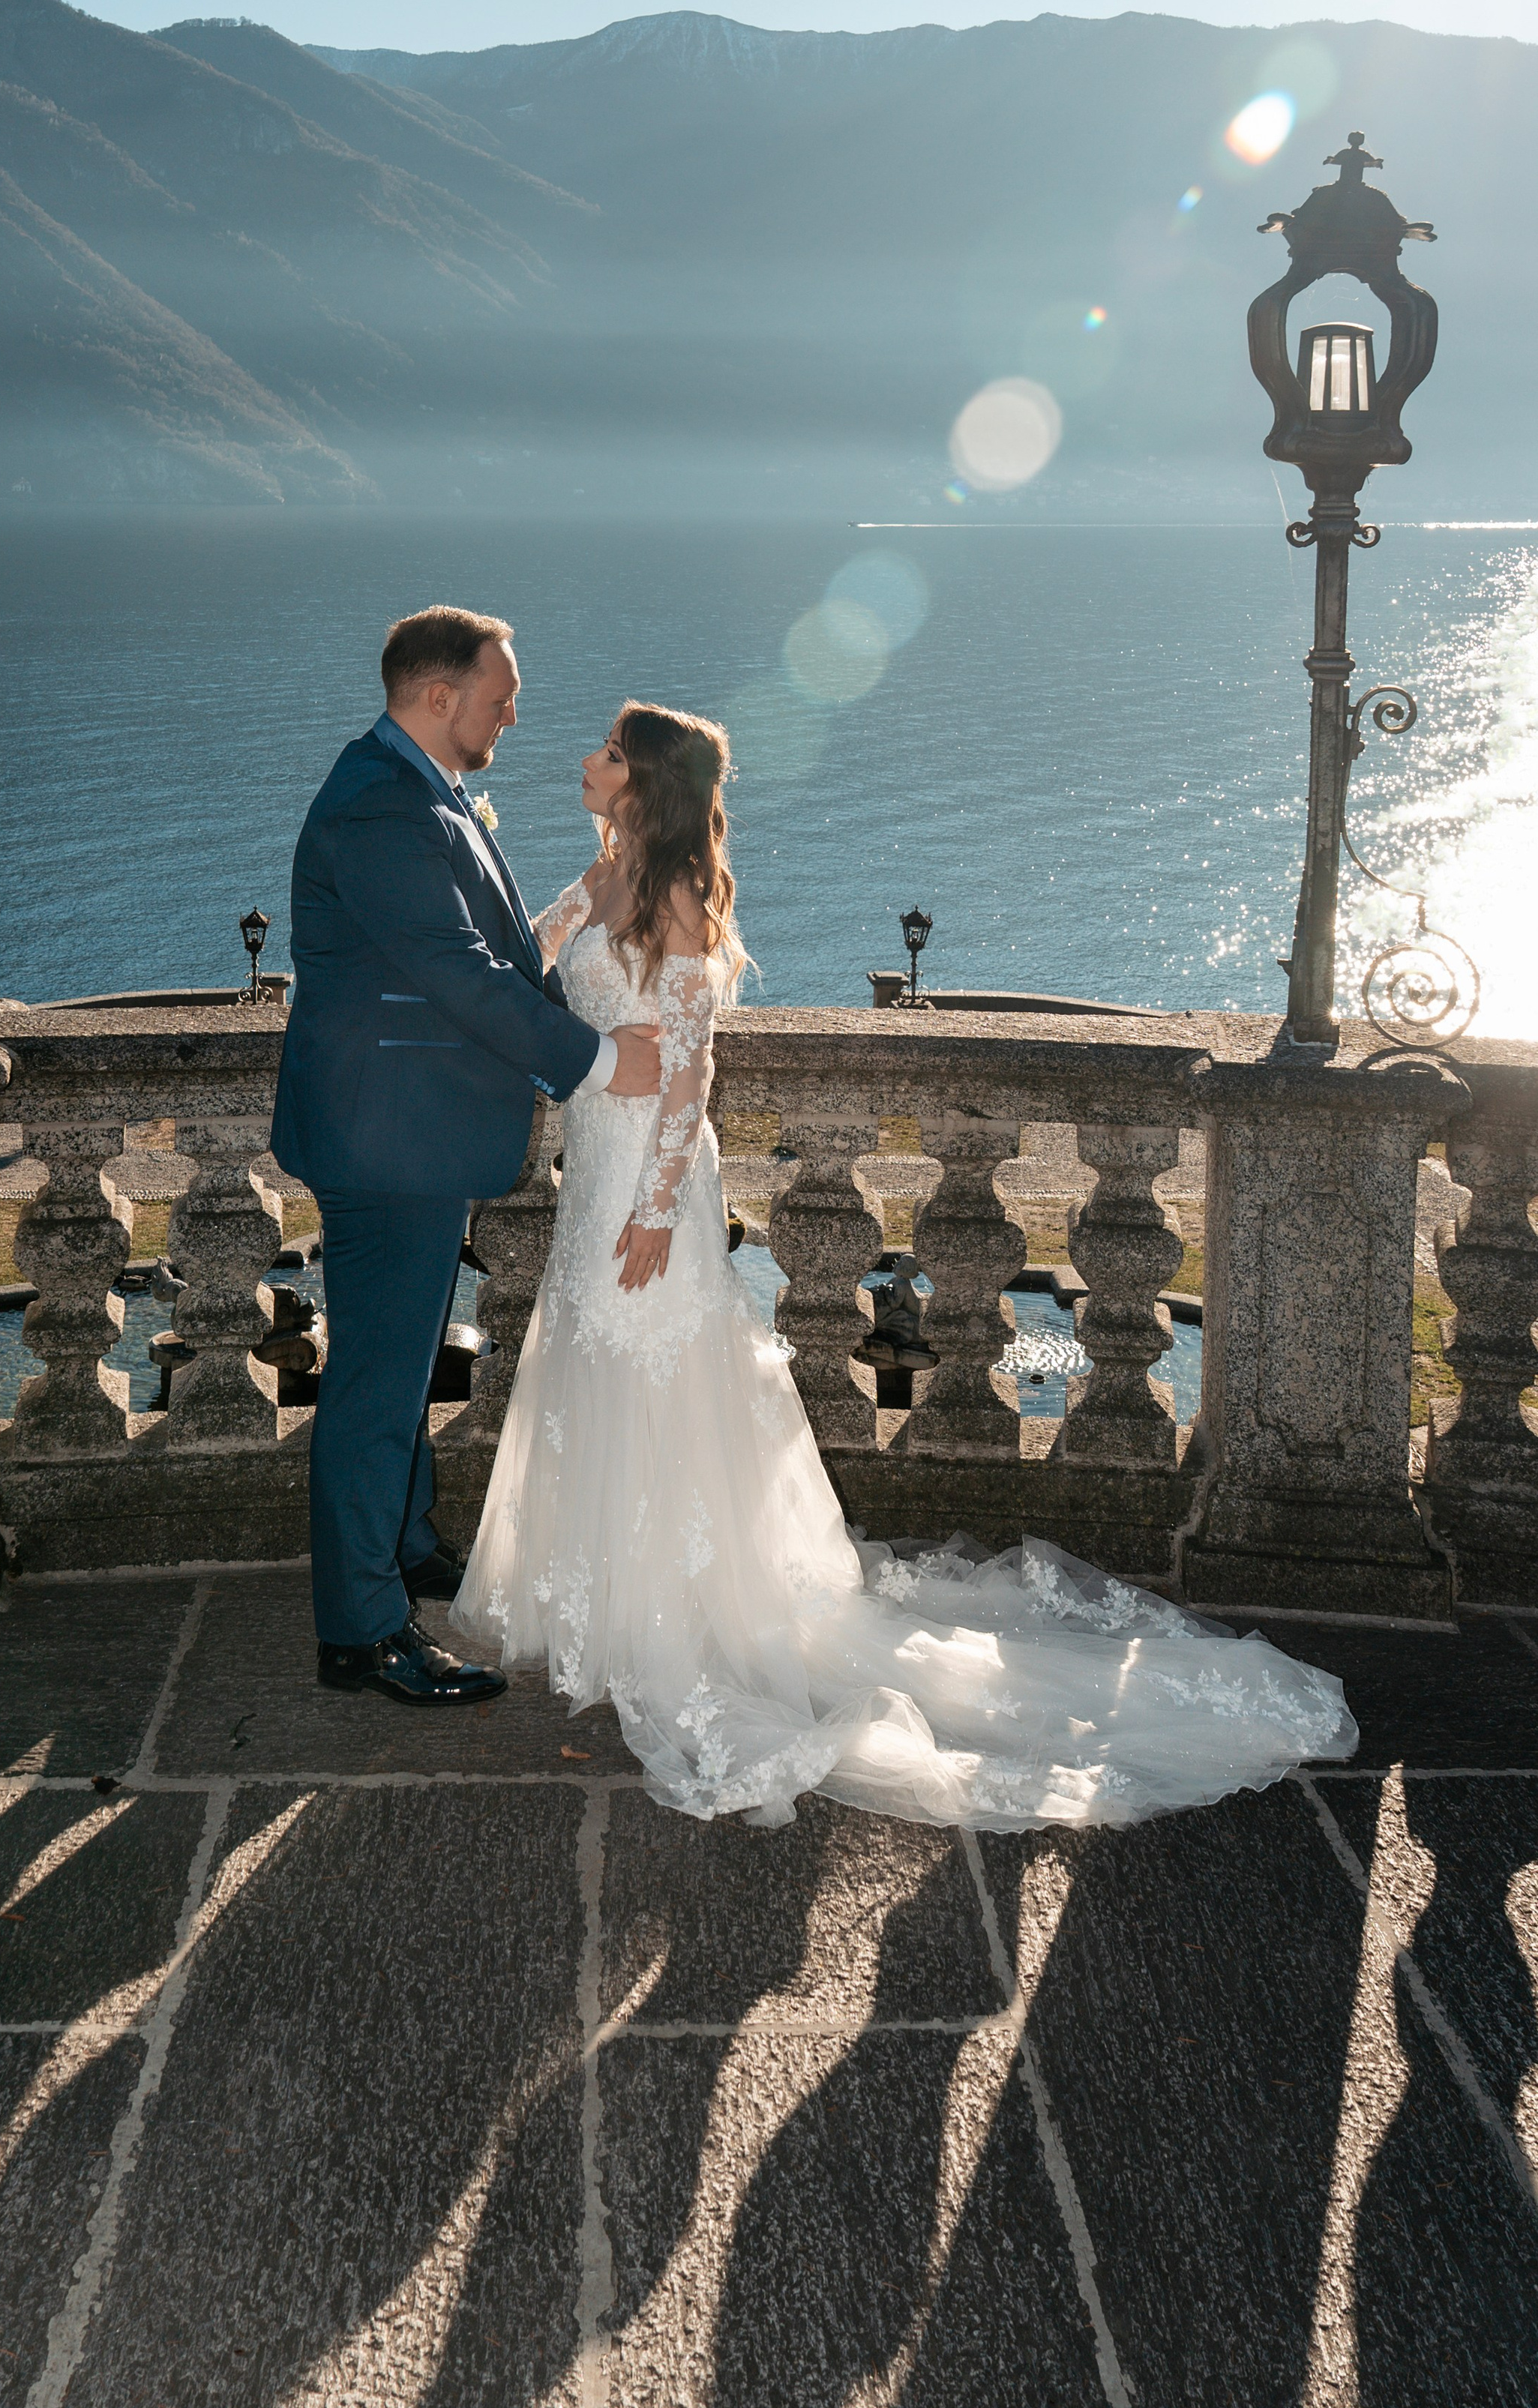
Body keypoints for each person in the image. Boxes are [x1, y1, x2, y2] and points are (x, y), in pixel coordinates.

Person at [453, 699, 1358, 1829]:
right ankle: (596, 1596)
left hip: (652, 1177)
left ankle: (678, 1613)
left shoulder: (680, 897)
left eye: (607, 754)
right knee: (590, 1350)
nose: (585, 763)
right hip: (594, 1153)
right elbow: (523, 958)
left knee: (654, 1356)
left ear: (646, 780)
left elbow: (693, 1071)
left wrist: (651, 1209)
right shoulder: (602, 875)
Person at [272, 607, 663, 1708]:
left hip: (407, 1128)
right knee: (377, 1385)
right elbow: (459, 974)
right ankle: (361, 1629)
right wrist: (593, 1061)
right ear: (439, 697)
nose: (514, 712)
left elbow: (492, 948)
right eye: (502, 695)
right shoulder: (382, 808)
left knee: (395, 1362)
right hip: (390, 1139)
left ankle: (401, 1547)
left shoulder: (413, 787)